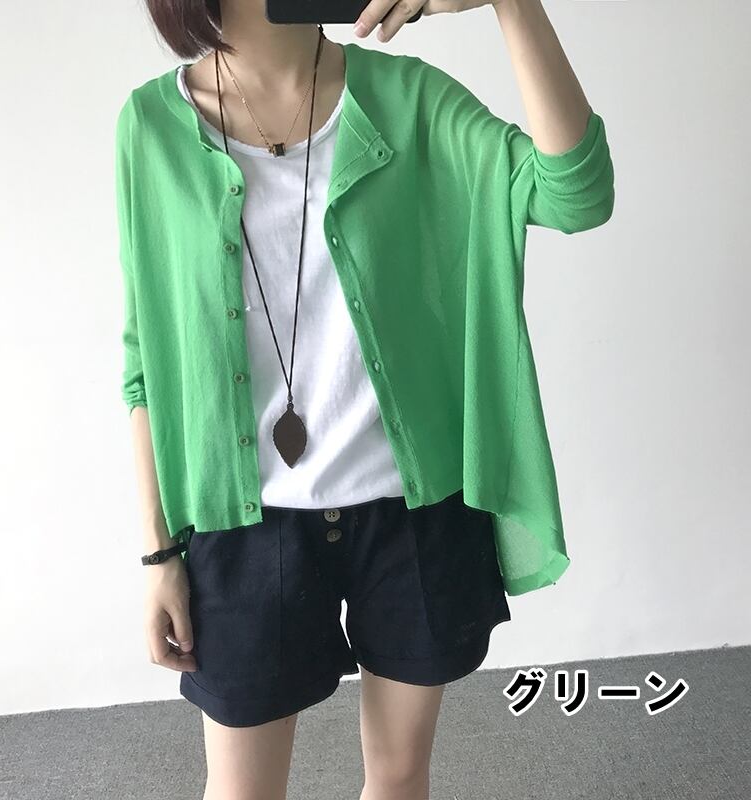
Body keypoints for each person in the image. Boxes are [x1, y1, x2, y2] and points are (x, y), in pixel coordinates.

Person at [115, 0, 615, 797]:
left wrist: (513, 2)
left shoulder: (410, 101)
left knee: (399, 773)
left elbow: (576, 193)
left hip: (413, 515)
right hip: (244, 528)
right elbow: (145, 359)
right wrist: (158, 555)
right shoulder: (150, 127)